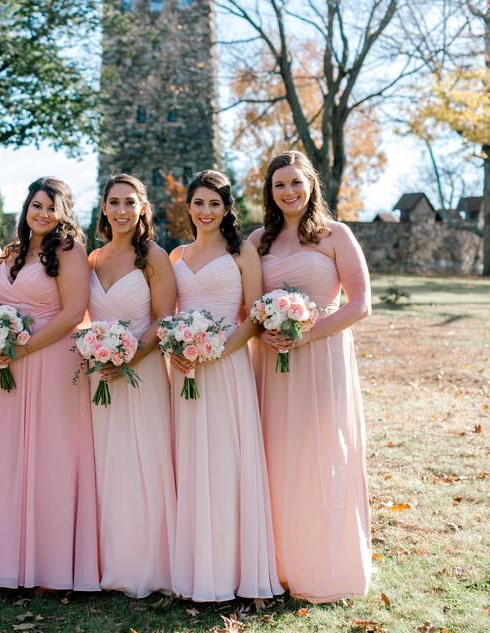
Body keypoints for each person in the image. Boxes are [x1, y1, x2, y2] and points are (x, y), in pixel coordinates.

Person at [250, 150, 372, 603]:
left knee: (321, 453)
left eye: (296, 182)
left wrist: (307, 335)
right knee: (277, 454)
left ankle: (324, 568)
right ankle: (278, 565)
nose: (289, 192)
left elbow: (360, 303)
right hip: (272, 362)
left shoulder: (335, 235)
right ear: (270, 192)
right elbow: (247, 303)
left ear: (311, 184)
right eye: (279, 184)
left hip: (322, 356)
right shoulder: (258, 240)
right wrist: (262, 329)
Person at [0, 177, 99, 591]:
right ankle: (8, 562)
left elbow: (73, 313)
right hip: (8, 363)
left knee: (52, 459)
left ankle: (51, 567)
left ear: (63, 213)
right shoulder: (12, 252)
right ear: (26, 207)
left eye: (52, 207)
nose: (43, 214)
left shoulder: (69, 251)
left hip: (51, 358)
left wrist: (23, 348)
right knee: (9, 456)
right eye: (37, 205)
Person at [169, 170, 282, 602]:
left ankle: (235, 568)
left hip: (227, 364)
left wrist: (215, 351)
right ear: (189, 207)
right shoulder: (176, 255)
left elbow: (254, 315)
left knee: (226, 458)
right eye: (199, 203)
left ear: (226, 208)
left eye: (214, 204)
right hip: (185, 368)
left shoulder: (242, 253)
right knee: (191, 459)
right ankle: (197, 568)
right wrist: (178, 350)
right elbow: (170, 314)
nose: (206, 211)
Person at [87, 174, 177, 597]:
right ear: (104, 208)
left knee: (145, 460)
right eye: (114, 202)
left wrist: (130, 356)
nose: (121, 210)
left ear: (142, 207)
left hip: (142, 373)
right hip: (100, 376)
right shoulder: (93, 258)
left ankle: (151, 564)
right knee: (109, 463)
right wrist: (100, 353)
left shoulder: (154, 257)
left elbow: (164, 318)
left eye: (129, 202)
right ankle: (113, 561)